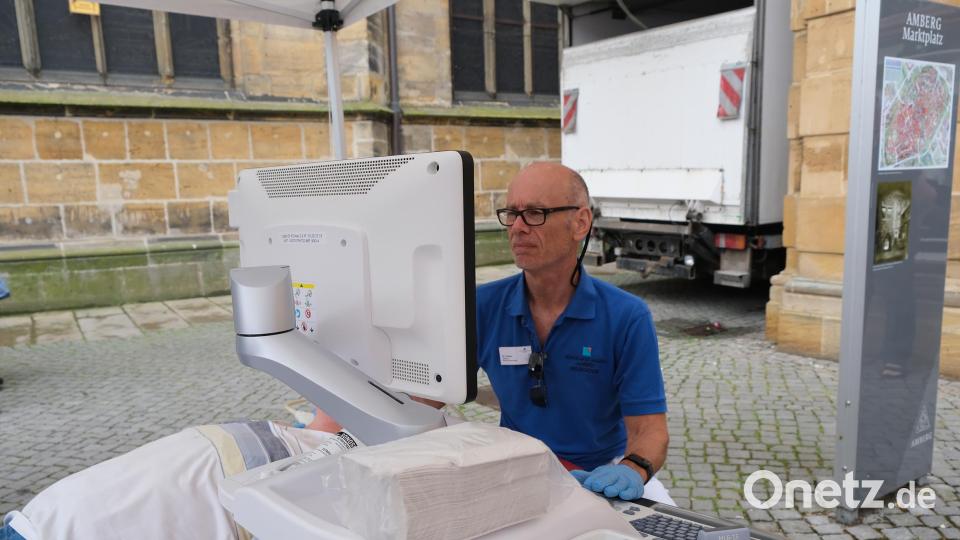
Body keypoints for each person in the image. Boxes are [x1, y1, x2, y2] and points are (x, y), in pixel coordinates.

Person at [477, 162, 669, 502]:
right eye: (512, 213)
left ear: (580, 222)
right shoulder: (482, 305)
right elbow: (424, 397)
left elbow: (649, 428)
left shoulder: (626, 316)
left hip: (600, 472)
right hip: (514, 469)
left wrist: (632, 468)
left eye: (535, 213)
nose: (517, 228)